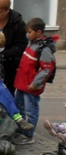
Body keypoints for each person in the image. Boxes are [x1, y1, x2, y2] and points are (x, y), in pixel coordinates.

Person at [11, 17, 57, 145]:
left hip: (31, 86)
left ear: (39, 32)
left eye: (30, 32)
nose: (27, 34)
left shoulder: (44, 49)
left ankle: (28, 135)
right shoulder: (31, 43)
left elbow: (46, 69)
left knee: (31, 111)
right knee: (19, 107)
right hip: (22, 83)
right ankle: (20, 130)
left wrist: (36, 83)